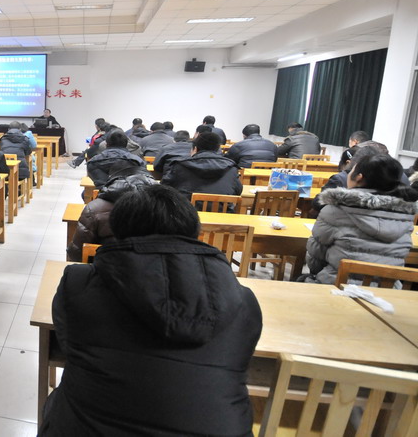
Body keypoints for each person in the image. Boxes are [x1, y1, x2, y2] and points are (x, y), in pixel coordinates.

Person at [41, 185, 262, 436]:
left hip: (85, 429)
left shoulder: (78, 282)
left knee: (57, 401)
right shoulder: (244, 301)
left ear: (118, 230)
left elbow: (68, 344)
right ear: (193, 231)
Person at [305, 154, 418, 285]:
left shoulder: (335, 210)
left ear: (359, 177)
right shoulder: (405, 214)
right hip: (386, 290)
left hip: (338, 287)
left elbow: (315, 259)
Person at [66, 162, 156, 262]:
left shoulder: (95, 208)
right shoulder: (163, 204)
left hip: (106, 266)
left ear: (112, 179)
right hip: (155, 267)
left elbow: (77, 252)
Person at [164, 132, 241, 198]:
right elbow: (238, 191)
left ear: (195, 149)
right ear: (217, 149)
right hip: (222, 210)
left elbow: (165, 187)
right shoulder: (231, 168)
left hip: (186, 210)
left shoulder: (180, 166)